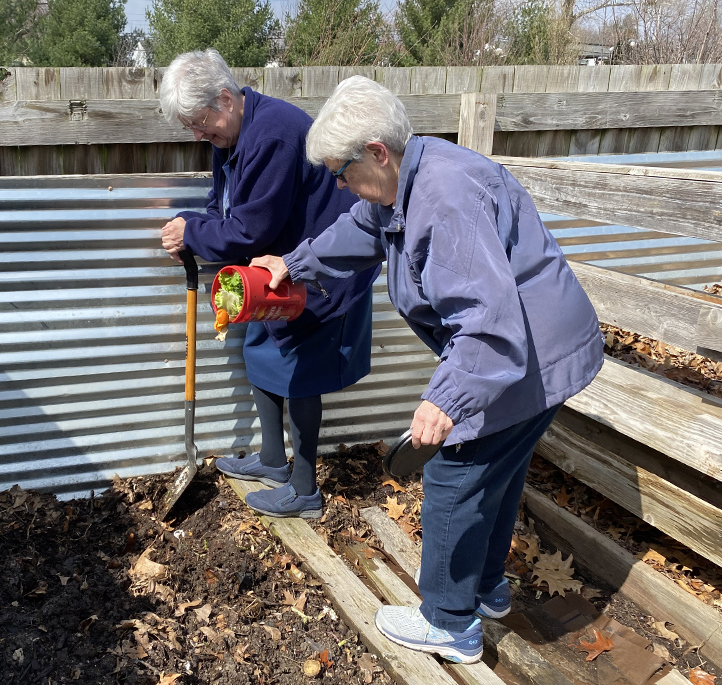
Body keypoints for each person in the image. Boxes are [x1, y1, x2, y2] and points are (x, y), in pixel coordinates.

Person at [250, 76, 604, 664]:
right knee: (496, 473)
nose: (339, 185)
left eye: (341, 172)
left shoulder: (443, 198)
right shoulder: (404, 183)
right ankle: (486, 589)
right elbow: (358, 232)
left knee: (456, 472)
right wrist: (294, 263)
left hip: (526, 353)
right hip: (540, 346)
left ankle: (448, 622)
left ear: (377, 153)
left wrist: (446, 401)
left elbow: (487, 324)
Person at [158, 50, 380, 519]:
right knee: (258, 353)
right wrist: (192, 227)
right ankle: (274, 462)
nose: (199, 135)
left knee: (299, 376)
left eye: (200, 122)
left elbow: (250, 228)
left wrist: (193, 233)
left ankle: (305, 491)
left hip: (319, 272)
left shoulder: (273, 133)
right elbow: (226, 209)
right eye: (191, 128)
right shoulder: (231, 139)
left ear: (225, 98)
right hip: (273, 269)